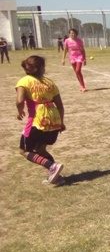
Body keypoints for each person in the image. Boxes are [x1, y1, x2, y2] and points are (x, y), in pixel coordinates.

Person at [15, 56, 66, 185]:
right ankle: (57, 177)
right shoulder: (50, 82)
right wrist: (61, 122)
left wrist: (19, 110)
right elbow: (60, 105)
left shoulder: (24, 81)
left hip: (37, 121)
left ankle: (52, 166)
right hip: (53, 120)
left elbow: (20, 101)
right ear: (41, 68)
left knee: (24, 151)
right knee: (41, 150)